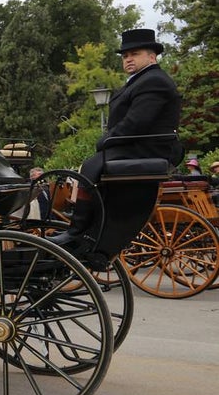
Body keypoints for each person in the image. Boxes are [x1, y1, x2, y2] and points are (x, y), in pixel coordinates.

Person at [50, 28, 183, 251]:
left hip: (147, 146)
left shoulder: (153, 81)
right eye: (125, 56)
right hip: (140, 144)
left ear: (152, 56)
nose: (128, 59)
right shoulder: (141, 80)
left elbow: (136, 123)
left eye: (135, 54)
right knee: (94, 165)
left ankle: (77, 229)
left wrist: (105, 141)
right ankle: (87, 228)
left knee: (91, 166)